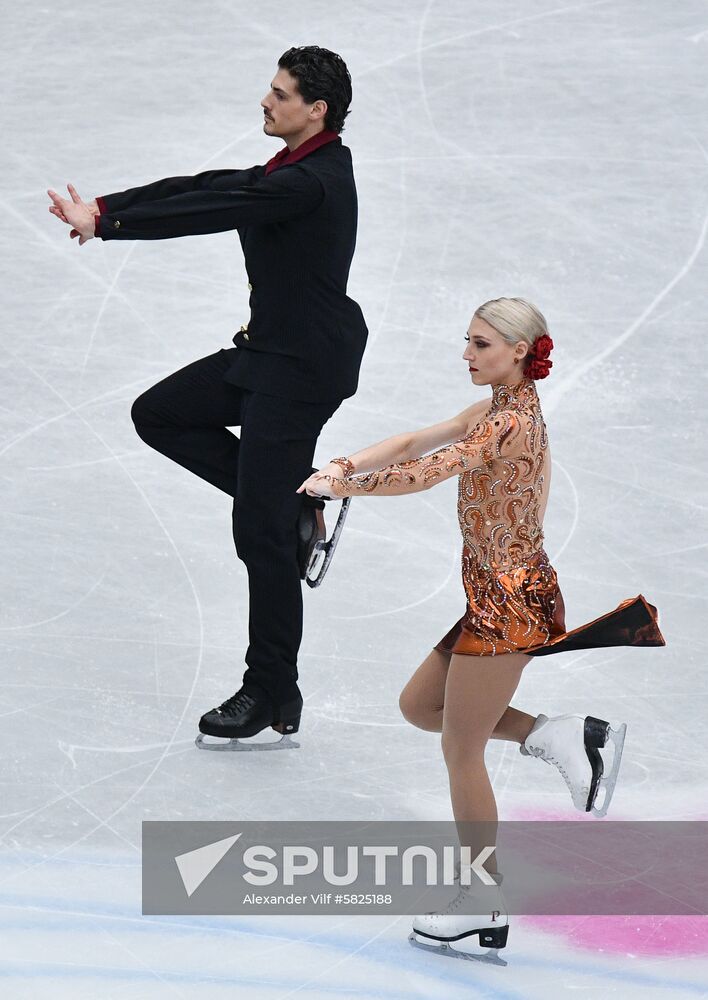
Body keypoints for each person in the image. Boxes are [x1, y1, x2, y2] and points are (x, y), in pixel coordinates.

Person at [298, 296, 665, 960]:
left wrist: (346, 491)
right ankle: (560, 735)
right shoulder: (494, 407)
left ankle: (481, 902)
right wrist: (344, 465)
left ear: (519, 351)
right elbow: (414, 441)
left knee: (461, 752)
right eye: (467, 341)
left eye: (481, 344)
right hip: (493, 594)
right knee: (421, 707)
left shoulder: (508, 425)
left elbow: (427, 471)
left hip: (510, 602)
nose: (467, 354)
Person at [46, 46, 368, 750]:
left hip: (302, 366)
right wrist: (105, 208)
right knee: (159, 413)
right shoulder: (289, 168)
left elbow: (214, 208)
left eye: (280, 94)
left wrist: (113, 228)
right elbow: (204, 183)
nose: (266, 100)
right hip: (268, 353)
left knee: (260, 536)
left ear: (315, 110)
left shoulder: (309, 182)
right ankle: (292, 503)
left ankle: (271, 687)